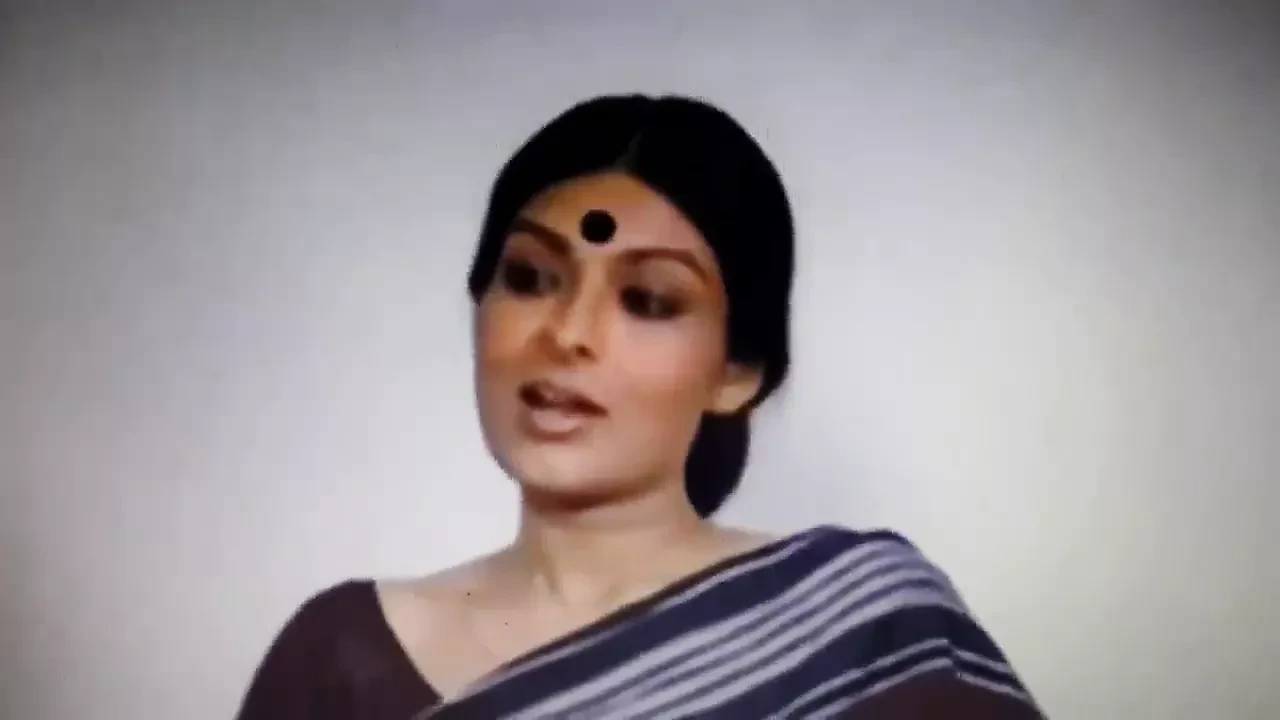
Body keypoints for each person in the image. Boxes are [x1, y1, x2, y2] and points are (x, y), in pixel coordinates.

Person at [235, 94, 1044, 719]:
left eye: (649, 300)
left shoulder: (867, 631)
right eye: (529, 279)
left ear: (738, 372)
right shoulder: (339, 659)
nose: (567, 334)